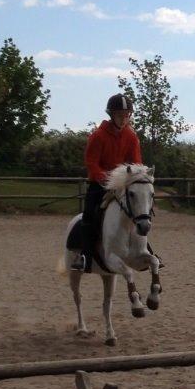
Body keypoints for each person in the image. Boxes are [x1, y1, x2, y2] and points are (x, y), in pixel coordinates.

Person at [71, 94, 143, 272]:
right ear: (112, 115)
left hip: (122, 185)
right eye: (120, 115)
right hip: (100, 184)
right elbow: (91, 163)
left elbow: (136, 163)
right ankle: (85, 256)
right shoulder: (98, 136)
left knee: (140, 213)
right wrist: (106, 178)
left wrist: (133, 177)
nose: (124, 118)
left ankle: (146, 249)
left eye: (127, 115)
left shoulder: (131, 137)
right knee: (89, 216)